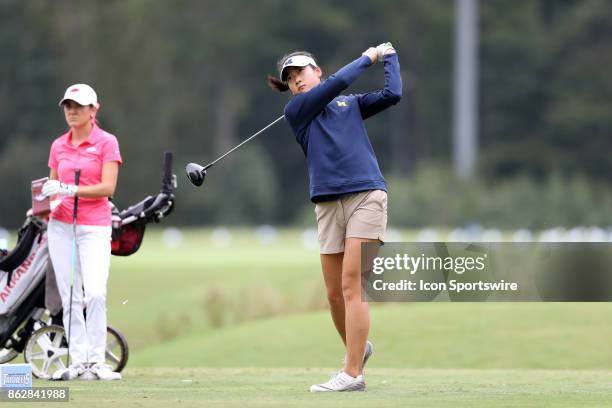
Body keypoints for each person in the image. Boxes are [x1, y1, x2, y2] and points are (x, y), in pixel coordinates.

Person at [268, 43, 402, 392]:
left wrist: (389, 58)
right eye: (291, 79)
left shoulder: (351, 105)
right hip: (328, 206)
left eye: (301, 73)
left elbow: (392, 94)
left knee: (351, 283)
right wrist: (364, 58)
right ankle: (358, 350)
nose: (297, 82)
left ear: (318, 71)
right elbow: (336, 85)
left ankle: (353, 373)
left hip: (367, 197)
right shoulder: (297, 111)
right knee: (333, 294)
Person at [42, 84, 122, 380]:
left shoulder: (107, 143)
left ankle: (96, 362)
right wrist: (46, 200)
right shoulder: (57, 146)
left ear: (93, 110)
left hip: (94, 227)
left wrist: (70, 189)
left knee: (96, 293)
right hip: (61, 227)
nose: (72, 111)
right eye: (68, 106)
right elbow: (51, 187)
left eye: (78, 106)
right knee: (70, 295)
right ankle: (77, 362)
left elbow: (107, 188)